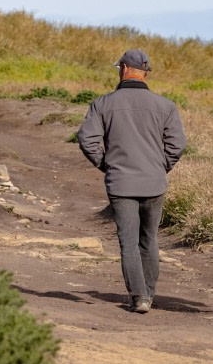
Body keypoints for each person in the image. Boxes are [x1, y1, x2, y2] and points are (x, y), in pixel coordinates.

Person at [78, 49, 187, 313]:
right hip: (154, 182)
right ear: (145, 72)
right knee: (149, 240)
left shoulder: (102, 104)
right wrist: (161, 167)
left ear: (124, 68)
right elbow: (177, 144)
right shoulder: (165, 105)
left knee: (128, 243)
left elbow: (87, 139)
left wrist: (105, 165)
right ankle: (148, 294)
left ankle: (139, 297)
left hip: (121, 182)